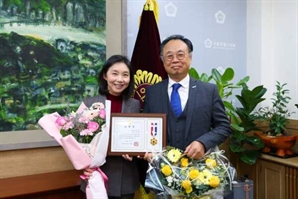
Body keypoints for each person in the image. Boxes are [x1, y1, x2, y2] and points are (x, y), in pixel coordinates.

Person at [143, 34, 232, 161]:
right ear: (162, 60)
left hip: (200, 169)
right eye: (169, 56)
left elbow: (224, 127)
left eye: (180, 55)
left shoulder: (208, 91)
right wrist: (144, 148)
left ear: (190, 57)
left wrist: (203, 143)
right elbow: (146, 128)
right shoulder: (152, 92)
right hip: (162, 168)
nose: (174, 60)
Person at [81, 55, 140, 199]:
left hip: (125, 178)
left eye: (125, 75)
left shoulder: (135, 105)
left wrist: (135, 151)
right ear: (105, 75)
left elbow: (138, 137)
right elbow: (78, 141)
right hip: (95, 176)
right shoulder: (89, 104)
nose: (120, 79)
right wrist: (84, 165)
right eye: (115, 73)